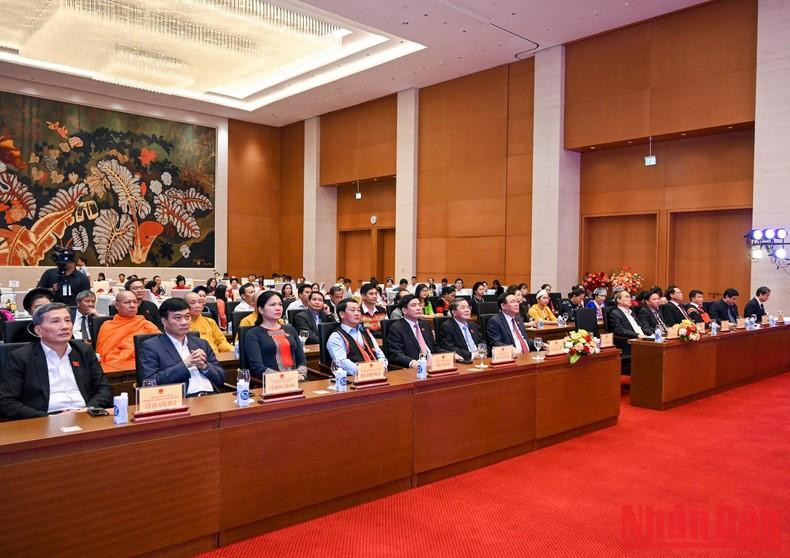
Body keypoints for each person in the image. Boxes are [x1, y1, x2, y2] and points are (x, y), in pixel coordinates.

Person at [0, 303, 113, 420]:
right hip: (43, 419)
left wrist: (89, 409)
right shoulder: (21, 357)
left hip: (85, 415)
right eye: (55, 321)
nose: (65, 326)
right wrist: (48, 418)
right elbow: (6, 401)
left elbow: (104, 388)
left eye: (68, 320)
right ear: (38, 330)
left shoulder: (83, 351)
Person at [139, 298, 225, 396]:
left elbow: (221, 378)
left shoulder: (201, 343)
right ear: (164, 321)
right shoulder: (151, 346)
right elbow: (150, 382)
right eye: (178, 318)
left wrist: (204, 366)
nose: (184, 322)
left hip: (212, 396)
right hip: (182, 399)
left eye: (187, 317)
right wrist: (185, 364)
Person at [244, 291, 307, 379]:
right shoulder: (253, 334)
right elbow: (257, 367)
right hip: (270, 384)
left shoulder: (290, 329)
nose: (278, 308)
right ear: (261, 309)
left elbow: (302, 359)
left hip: (296, 380)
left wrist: (301, 375)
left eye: (280, 304)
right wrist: (284, 378)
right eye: (272, 305)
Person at [95, 291, 160, 369]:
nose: (132, 306)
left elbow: (160, 348)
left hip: (146, 366)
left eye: (135, 302)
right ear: (117, 306)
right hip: (117, 368)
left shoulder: (145, 324)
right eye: (127, 302)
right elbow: (104, 354)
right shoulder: (108, 326)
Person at [327, 298, 387, 376]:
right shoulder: (336, 337)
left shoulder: (366, 331)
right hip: (355, 379)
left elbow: (380, 354)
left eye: (359, 310)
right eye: (352, 310)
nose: (357, 313)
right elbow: (342, 362)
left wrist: (382, 366)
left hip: (378, 374)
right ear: (342, 314)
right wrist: (367, 372)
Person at [386, 294, 442, 369]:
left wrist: (450, 354)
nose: (419, 308)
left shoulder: (425, 324)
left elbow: (433, 347)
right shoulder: (396, 328)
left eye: (419, 305)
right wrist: (414, 363)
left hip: (434, 364)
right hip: (415, 368)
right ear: (404, 310)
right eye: (414, 305)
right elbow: (396, 354)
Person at [607, 291, 650, 359]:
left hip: (643, 339)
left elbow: (640, 326)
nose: (630, 299)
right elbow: (619, 330)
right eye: (627, 297)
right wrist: (637, 335)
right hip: (630, 341)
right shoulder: (615, 313)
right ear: (618, 300)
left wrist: (651, 333)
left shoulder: (631, 312)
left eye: (630, 297)